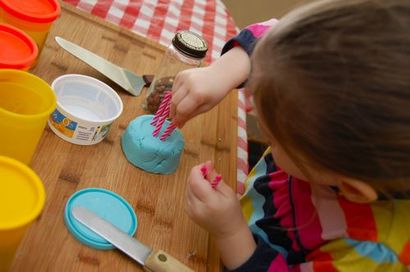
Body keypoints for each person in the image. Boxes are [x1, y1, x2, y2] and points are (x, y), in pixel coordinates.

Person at [170, 0, 410, 270]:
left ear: (351, 188)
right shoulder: (329, 147)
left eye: (271, 138)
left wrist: (231, 233)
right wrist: (222, 72)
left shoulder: (374, 253)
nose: (253, 112)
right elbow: (274, 38)